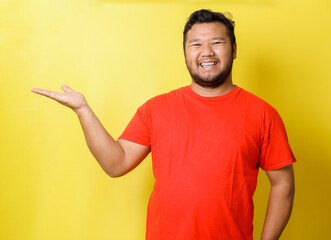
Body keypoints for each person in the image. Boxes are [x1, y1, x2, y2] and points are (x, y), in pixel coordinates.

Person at [32, 9, 296, 240]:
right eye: (196, 44)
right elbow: (115, 163)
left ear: (234, 49)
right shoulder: (156, 109)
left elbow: (283, 183)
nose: (207, 52)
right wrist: (83, 111)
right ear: (185, 52)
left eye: (217, 42)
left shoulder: (262, 114)